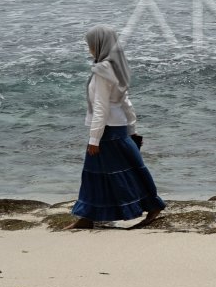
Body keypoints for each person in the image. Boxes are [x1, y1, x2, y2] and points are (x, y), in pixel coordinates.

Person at [66, 25, 165, 230]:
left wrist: (94, 139)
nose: (89, 48)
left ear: (100, 44)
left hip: (107, 131)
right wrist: (131, 128)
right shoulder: (117, 66)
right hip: (117, 128)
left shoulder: (102, 70)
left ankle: (89, 217)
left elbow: (101, 106)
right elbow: (125, 102)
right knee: (126, 171)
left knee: (97, 174)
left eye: (90, 44)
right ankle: (88, 217)